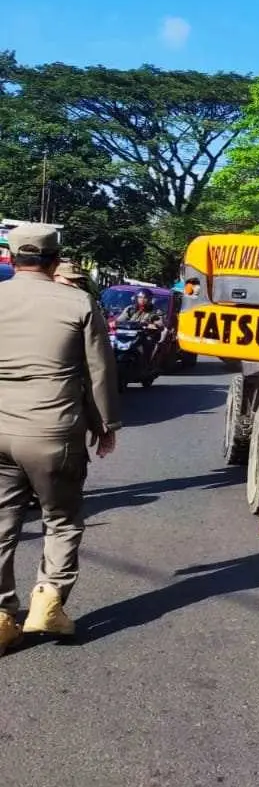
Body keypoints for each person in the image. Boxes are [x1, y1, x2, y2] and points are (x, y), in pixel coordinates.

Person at [0, 224, 121, 654]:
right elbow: (99, 372)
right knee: (62, 519)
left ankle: (0, 615)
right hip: (53, 432)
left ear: (13, 259)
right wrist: (106, 425)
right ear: (54, 261)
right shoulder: (77, 302)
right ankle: (48, 602)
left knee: (2, 521)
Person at [119, 288, 167, 369]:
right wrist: (114, 323)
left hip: (145, 335)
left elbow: (160, 324)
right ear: (136, 298)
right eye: (140, 297)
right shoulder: (130, 309)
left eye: (145, 298)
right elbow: (120, 320)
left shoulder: (155, 311)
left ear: (150, 300)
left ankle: (147, 365)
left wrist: (153, 325)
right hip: (129, 334)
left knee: (148, 342)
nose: (142, 300)